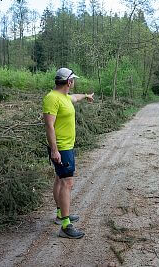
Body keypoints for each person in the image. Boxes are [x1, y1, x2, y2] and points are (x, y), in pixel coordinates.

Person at [42, 67, 94, 239]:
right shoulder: (52, 98)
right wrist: (55, 150)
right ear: (69, 82)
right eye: (73, 81)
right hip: (61, 148)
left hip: (65, 147)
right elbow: (49, 126)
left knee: (59, 179)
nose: (74, 83)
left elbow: (75, 98)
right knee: (67, 183)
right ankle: (65, 225)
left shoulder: (64, 97)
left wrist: (86, 96)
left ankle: (60, 214)